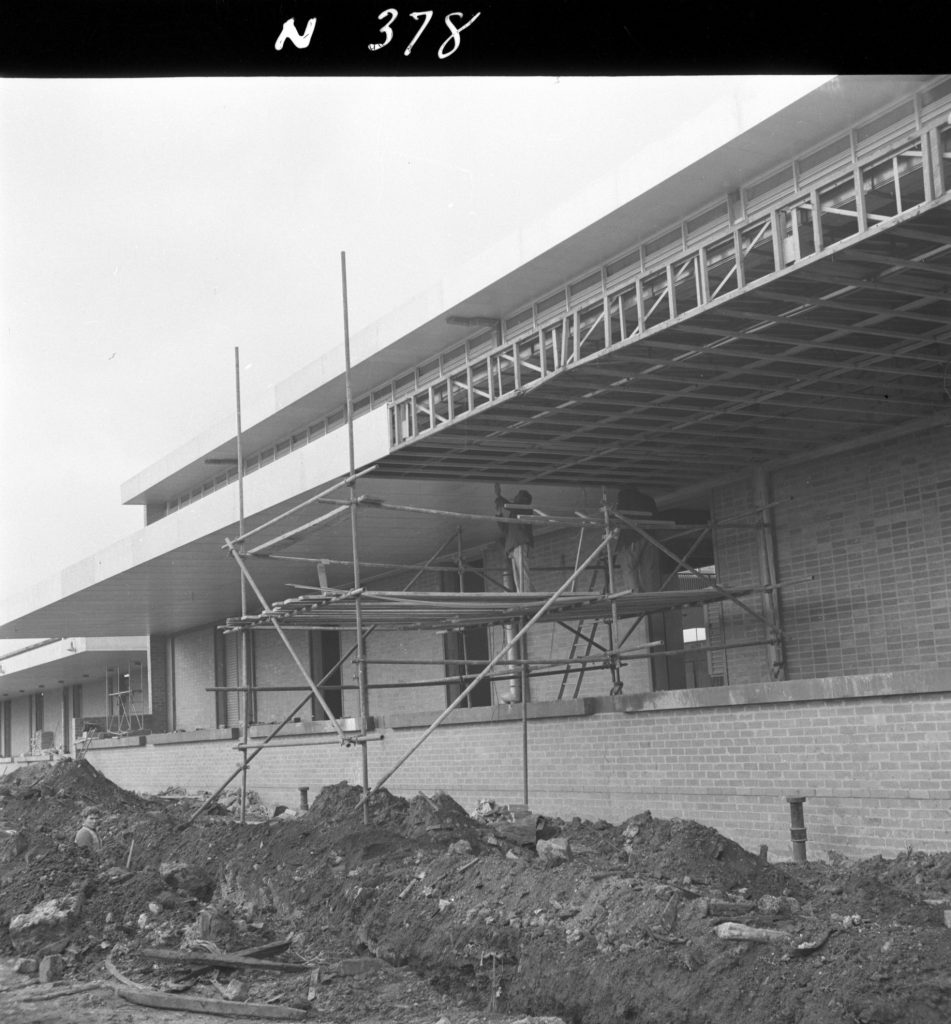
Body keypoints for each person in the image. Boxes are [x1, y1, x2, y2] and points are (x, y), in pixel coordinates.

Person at [614, 484, 662, 594]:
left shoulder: (624, 495)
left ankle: (634, 595)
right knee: (649, 569)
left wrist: (616, 530)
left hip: (632, 537)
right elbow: (656, 517)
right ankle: (651, 596)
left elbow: (620, 516)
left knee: (629, 567)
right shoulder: (649, 499)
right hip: (650, 537)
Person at [494, 484, 534, 592]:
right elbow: (506, 529)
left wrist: (499, 496)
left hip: (520, 544)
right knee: (517, 575)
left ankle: (527, 595)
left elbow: (509, 505)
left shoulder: (526, 510)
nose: (515, 498)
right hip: (514, 546)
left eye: (517, 496)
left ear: (523, 500)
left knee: (522, 572)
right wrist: (499, 515)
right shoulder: (515, 513)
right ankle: (523, 595)